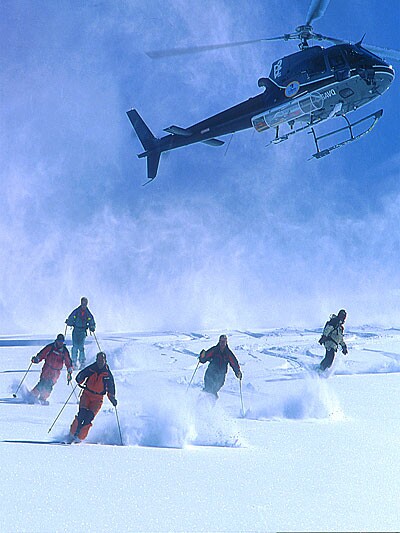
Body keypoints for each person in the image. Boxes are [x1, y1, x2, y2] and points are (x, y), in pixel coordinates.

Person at [69, 351, 117, 442]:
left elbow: (111, 388)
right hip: (86, 395)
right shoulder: (91, 368)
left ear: (105, 361)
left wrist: (112, 398)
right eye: (98, 360)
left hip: (97, 399)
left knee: (88, 418)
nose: (100, 362)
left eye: (101, 360)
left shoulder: (107, 374)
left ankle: (79, 438)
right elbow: (81, 375)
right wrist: (79, 379)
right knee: (81, 414)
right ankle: (71, 435)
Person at [29, 333, 73, 405]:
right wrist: (37, 359)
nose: (60, 343)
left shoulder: (64, 351)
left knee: (49, 385)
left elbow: (68, 361)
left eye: (62, 341)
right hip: (47, 368)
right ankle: (32, 395)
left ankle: (43, 398)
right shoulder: (51, 347)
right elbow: (42, 354)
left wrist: (70, 369)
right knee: (43, 382)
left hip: (56, 371)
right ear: (56, 340)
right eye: (59, 341)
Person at [65, 297, 96, 369]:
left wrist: (92, 327)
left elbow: (91, 320)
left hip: (82, 331)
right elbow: (71, 317)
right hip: (75, 330)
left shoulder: (88, 313)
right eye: (83, 303)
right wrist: (69, 321)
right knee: (75, 346)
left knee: (81, 346)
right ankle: (74, 362)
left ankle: (82, 362)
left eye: (85, 303)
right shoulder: (77, 311)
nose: (84, 305)